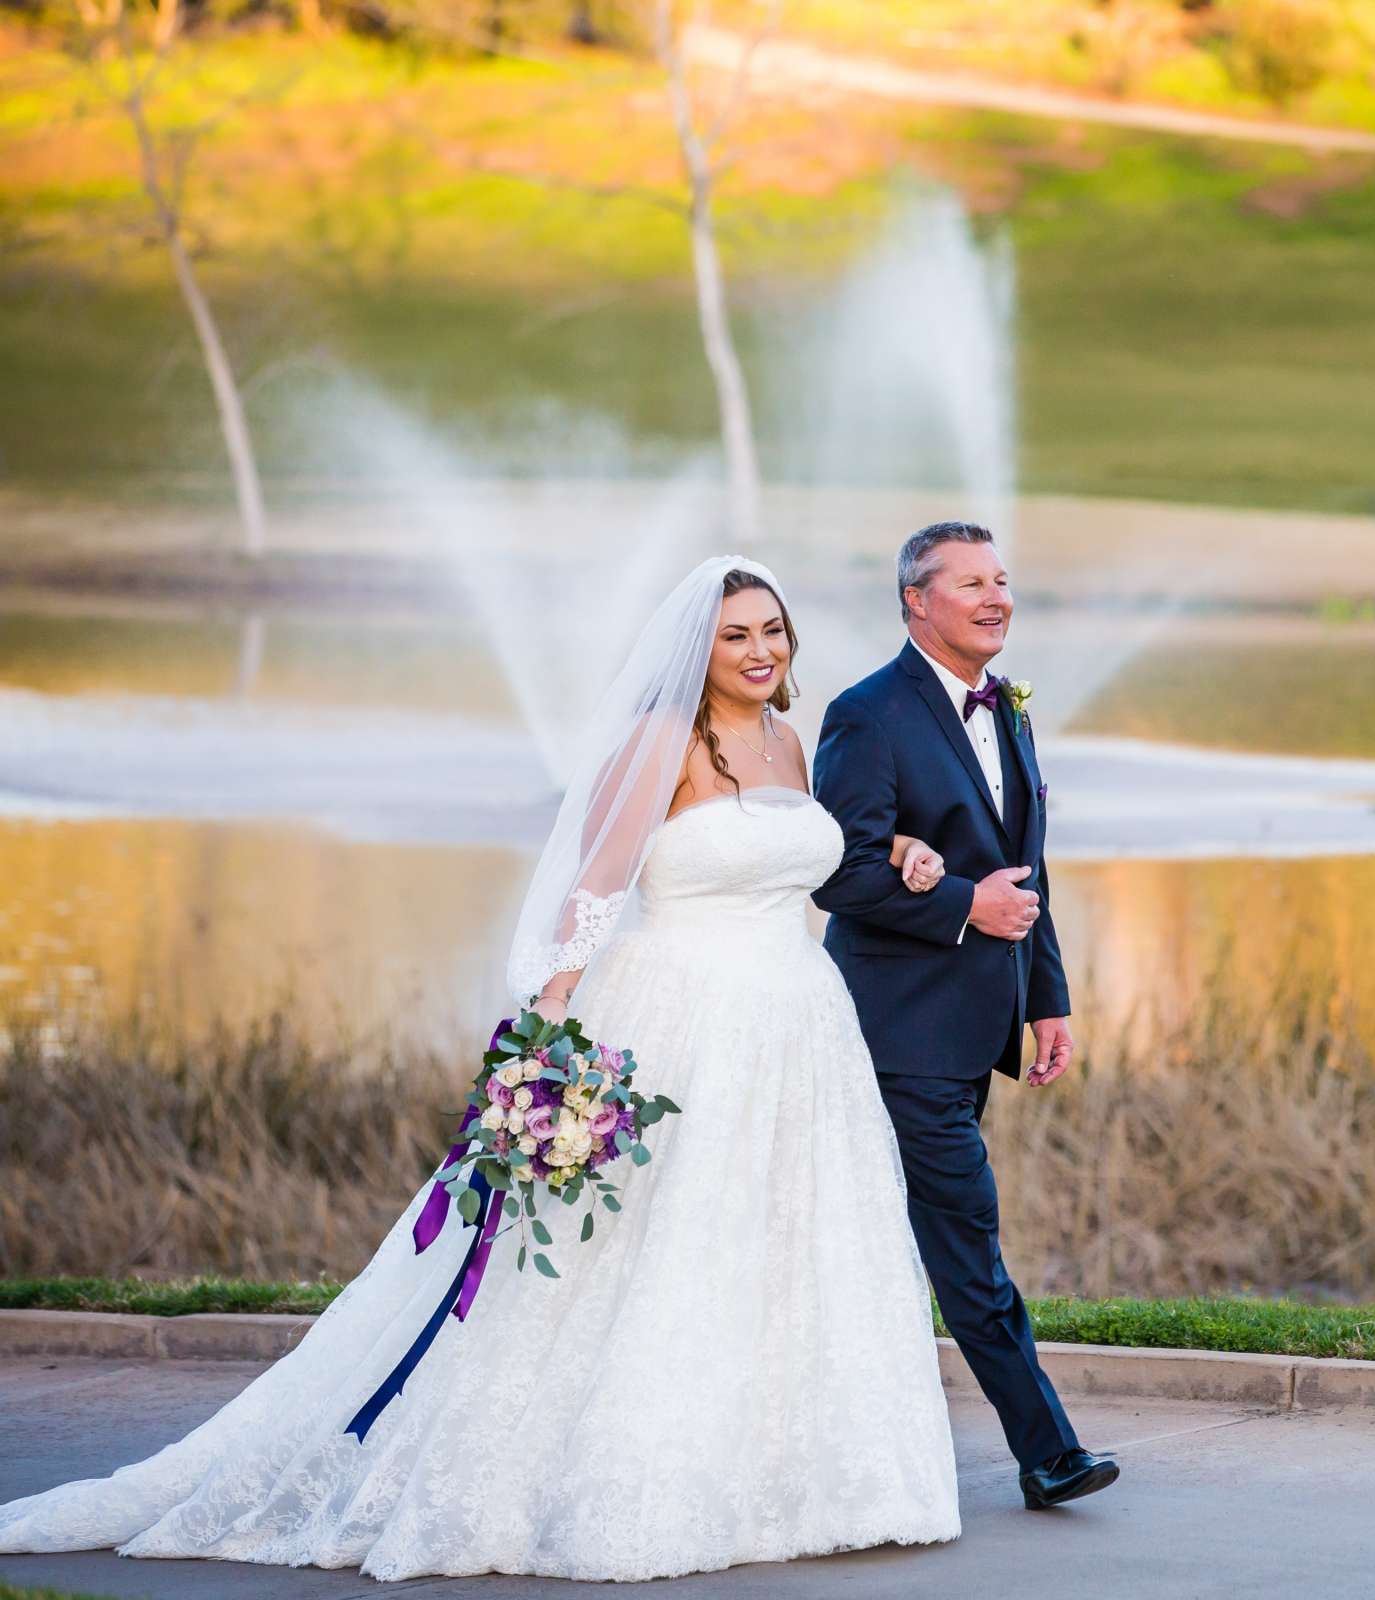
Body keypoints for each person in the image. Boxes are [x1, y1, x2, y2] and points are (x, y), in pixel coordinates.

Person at [0, 556, 963, 1582]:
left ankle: (793, 1477)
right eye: (736, 635)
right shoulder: (661, 740)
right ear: (699, 647)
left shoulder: (787, 739)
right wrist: (550, 1026)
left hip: (798, 1026)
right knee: (647, 1244)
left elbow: (791, 877)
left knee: (775, 1240)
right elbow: (595, 886)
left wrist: (902, 853)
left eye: (773, 629)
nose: (761, 650)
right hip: (684, 1015)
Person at [812, 520, 1119, 1512]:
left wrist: (1048, 1001)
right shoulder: (868, 714)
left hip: (977, 1025)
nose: (998, 599)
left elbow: (1024, 872)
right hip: (897, 1028)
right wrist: (962, 906)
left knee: (933, 1236)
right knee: (966, 1234)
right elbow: (843, 872)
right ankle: (1048, 1451)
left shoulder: (1011, 711)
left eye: (1003, 581)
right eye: (972, 584)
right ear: (916, 601)